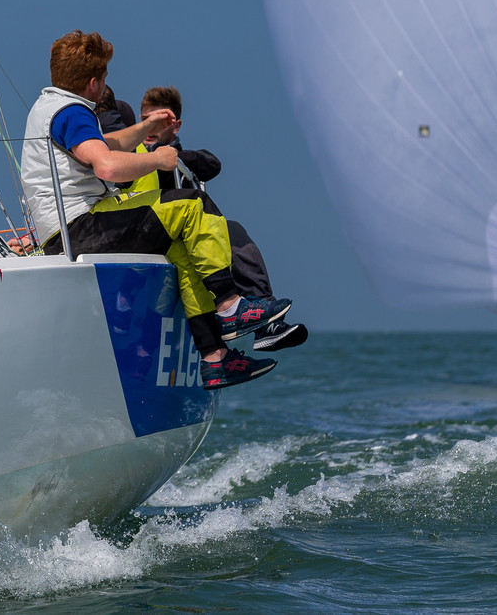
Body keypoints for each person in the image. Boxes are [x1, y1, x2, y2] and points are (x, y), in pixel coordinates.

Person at [19, 30, 289, 388]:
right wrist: (159, 159)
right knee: (193, 204)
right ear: (94, 83)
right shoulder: (74, 113)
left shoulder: (51, 107)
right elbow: (107, 166)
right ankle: (230, 305)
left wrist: (144, 127)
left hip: (68, 229)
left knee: (180, 248)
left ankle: (215, 358)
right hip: (79, 228)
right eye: (105, 78)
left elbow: (102, 144)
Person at [132, 86, 308, 352]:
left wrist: (171, 156)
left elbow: (212, 164)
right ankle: (245, 320)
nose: (151, 127)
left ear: (175, 126)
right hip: (148, 231)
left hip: (185, 231)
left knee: (231, 231)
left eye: (160, 121)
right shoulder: (130, 153)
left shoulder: (182, 160)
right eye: (146, 119)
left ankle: (266, 323)